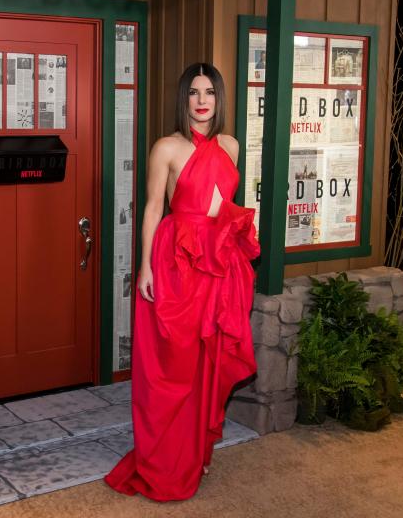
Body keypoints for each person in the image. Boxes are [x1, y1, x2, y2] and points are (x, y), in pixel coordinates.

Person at [105, 62, 260, 501]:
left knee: (208, 363)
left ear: (219, 97)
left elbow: (225, 203)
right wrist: (145, 268)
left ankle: (198, 453)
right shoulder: (166, 148)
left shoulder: (229, 146)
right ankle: (165, 461)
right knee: (173, 368)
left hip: (219, 266)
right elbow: (154, 207)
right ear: (183, 99)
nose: (201, 100)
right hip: (177, 263)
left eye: (209, 91)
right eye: (193, 92)